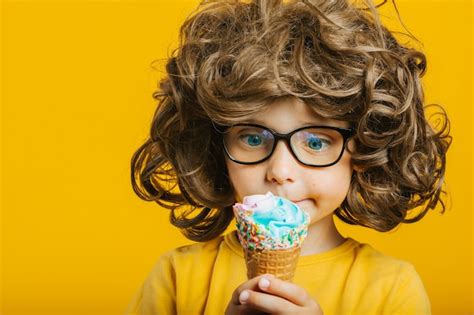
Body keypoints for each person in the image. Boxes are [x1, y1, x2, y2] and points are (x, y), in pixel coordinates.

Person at [126, 0, 451, 313]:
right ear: (215, 148)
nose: (280, 171)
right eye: (253, 138)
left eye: (316, 142)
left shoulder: (391, 289)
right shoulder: (176, 278)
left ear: (365, 147)